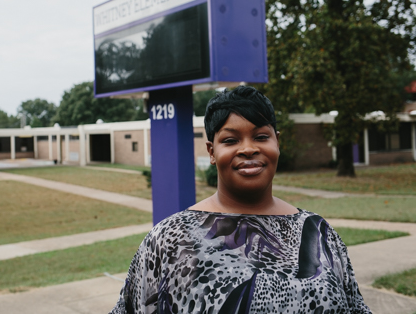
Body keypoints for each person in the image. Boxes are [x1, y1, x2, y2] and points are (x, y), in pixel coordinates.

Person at [110, 86, 371, 314]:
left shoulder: (319, 233)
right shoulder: (169, 239)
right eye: (231, 140)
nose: (248, 148)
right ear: (212, 151)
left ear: (277, 143)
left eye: (261, 136)